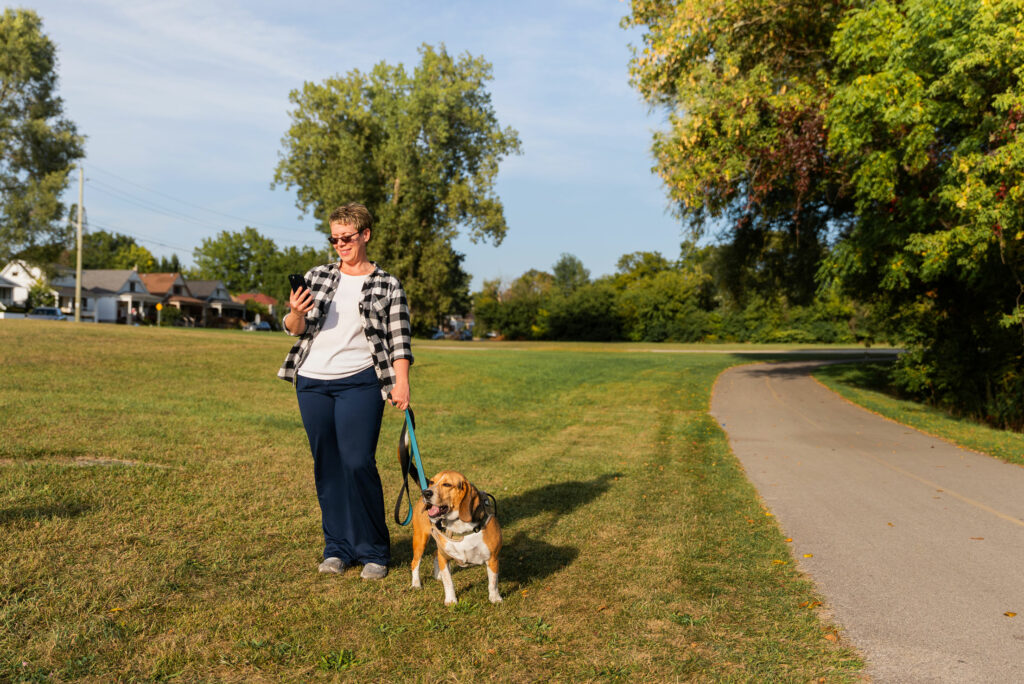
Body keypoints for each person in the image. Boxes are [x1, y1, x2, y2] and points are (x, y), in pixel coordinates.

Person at [278, 202, 412, 580]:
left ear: (365, 235)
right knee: (329, 467)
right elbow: (294, 328)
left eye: (347, 238)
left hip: (361, 380)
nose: (340, 244)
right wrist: (296, 312)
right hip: (312, 381)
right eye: (334, 238)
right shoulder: (317, 276)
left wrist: (400, 381)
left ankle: (374, 551)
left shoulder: (388, 284)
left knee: (357, 463)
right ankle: (337, 548)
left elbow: (399, 340)